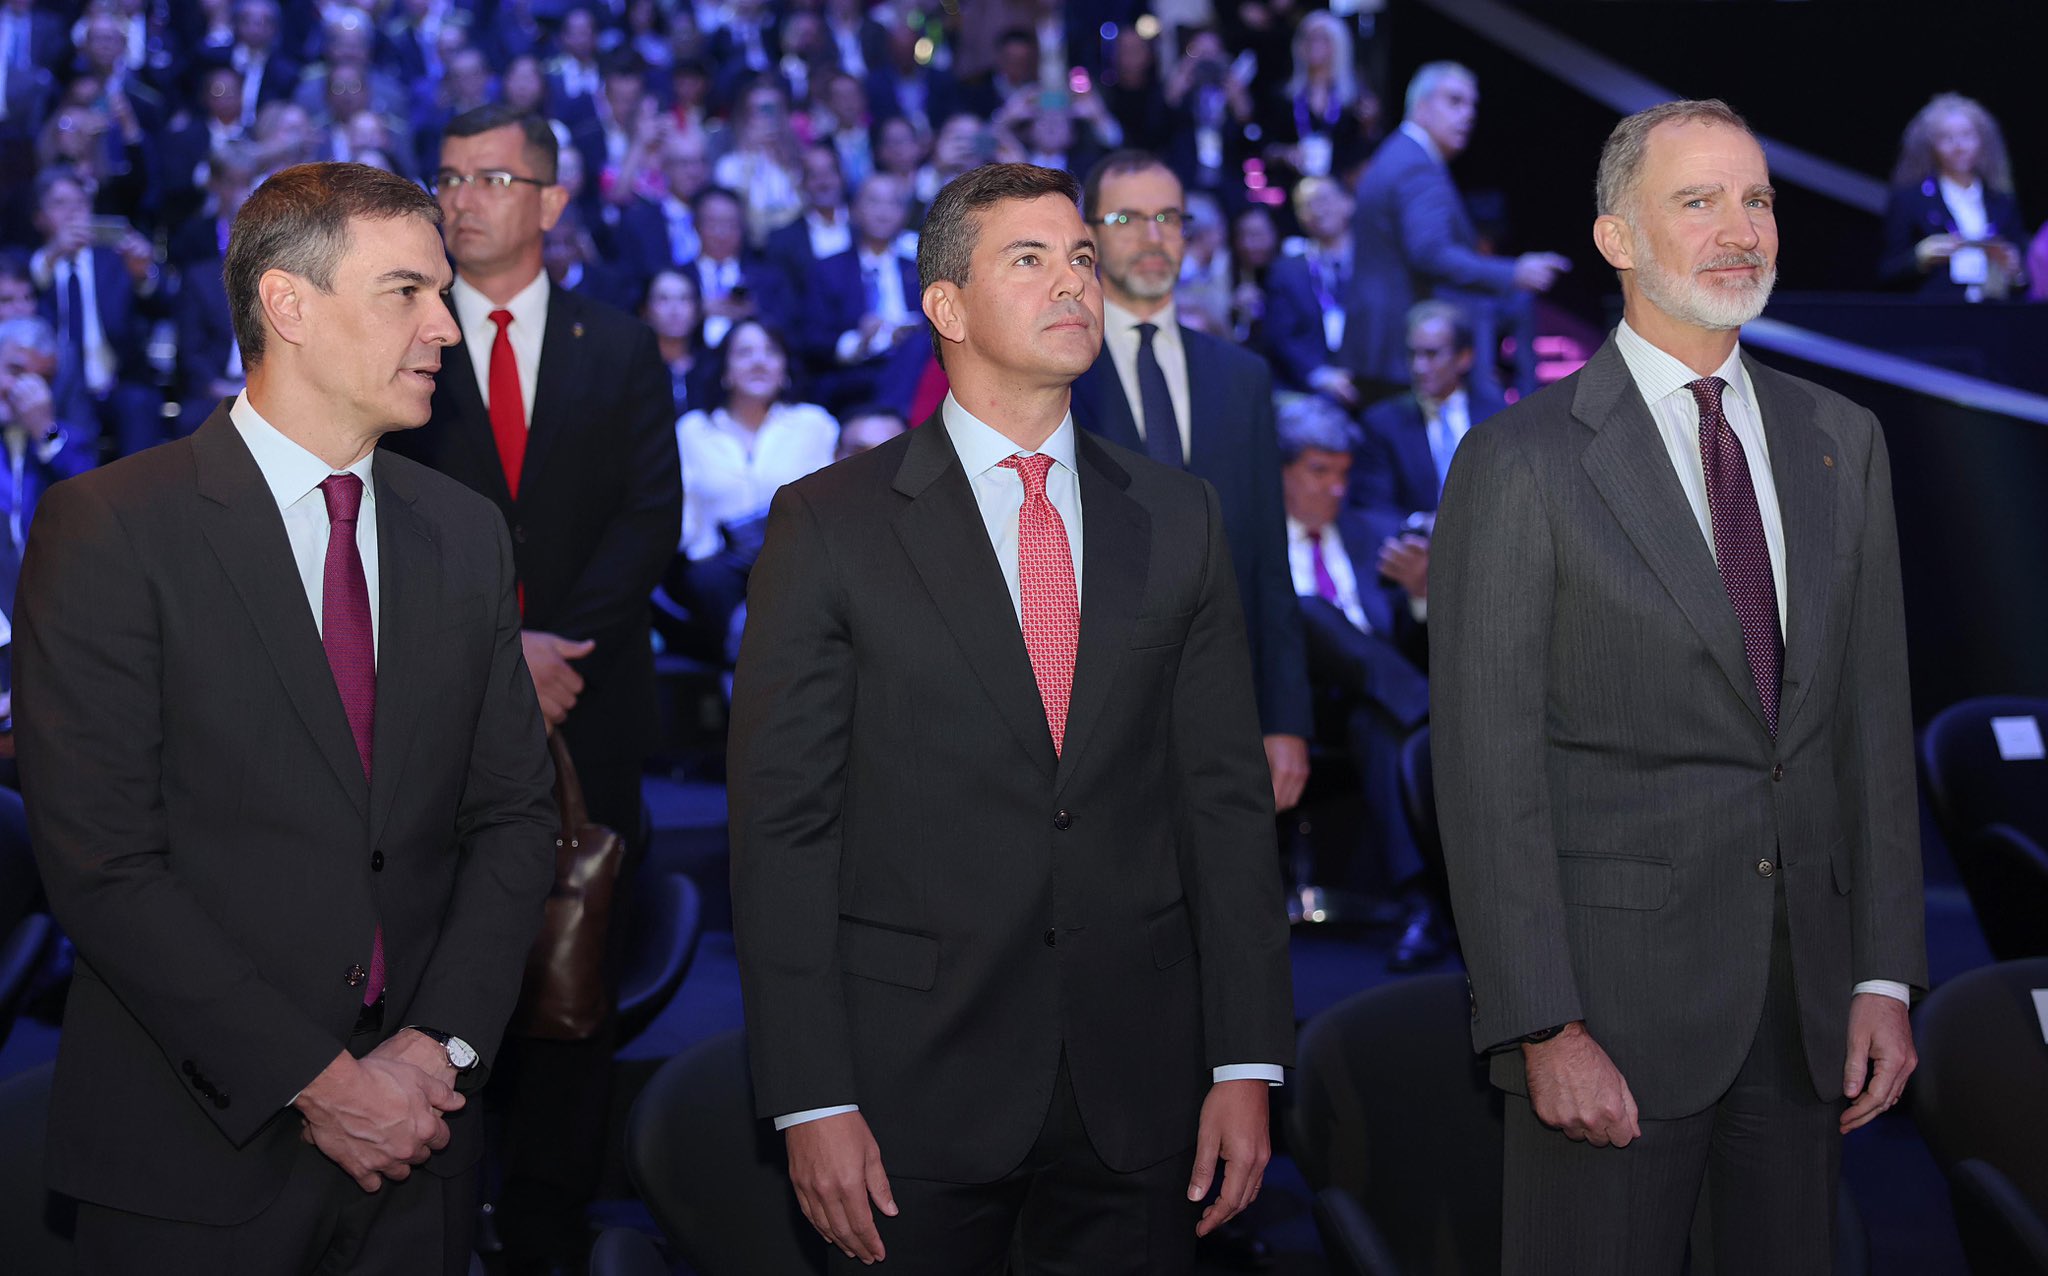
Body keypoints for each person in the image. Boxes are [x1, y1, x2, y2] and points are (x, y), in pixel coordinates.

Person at [729, 161, 1293, 1274]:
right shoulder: (830, 524)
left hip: (1140, 1097)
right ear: (945, 306)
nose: (1073, 283)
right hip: (907, 1095)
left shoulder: (1178, 516)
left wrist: (1245, 1064)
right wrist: (807, 1097)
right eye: (1029, 260)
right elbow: (781, 830)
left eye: (1081, 257)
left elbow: (1221, 806)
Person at [14, 159, 557, 1274]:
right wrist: (325, 1083)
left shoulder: (462, 534)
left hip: (424, 1146)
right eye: (406, 291)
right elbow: (104, 865)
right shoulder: (112, 528)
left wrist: (433, 1053)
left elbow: (512, 817)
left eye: (440, 293)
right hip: (194, 1154)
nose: (444, 328)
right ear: (288, 305)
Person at [1431, 100, 1925, 1275]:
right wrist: (1540, 1023)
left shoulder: (1837, 438)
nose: (1739, 228)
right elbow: (1484, 776)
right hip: (1607, 1015)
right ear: (1614, 237)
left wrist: (1880, 972)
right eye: (1696, 200)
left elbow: (1868, 722)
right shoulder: (1520, 463)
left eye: (1754, 199)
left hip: (1804, 1009)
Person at [386, 104, 681, 1275]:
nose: (461, 200)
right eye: (447, 178)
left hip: (590, 713)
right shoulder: (400, 334)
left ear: (551, 201)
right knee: (435, 967)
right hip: (433, 712)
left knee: (571, 982)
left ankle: (551, 1234)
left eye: (491, 179)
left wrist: (557, 647)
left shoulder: (619, 343)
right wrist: (500, 650)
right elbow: (385, 515)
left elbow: (647, 516)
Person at [1070, 149, 1314, 816]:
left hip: (1223, 705)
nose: (1153, 238)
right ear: (1087, 236)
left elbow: (1267, 558)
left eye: (1170, 218)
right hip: (1087, 717)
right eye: (1128, 218)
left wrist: (1285, 718)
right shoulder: (1057, 373)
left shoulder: (1243, 378)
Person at [1273, 394, 1433, 966]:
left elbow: (1412, 647)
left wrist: (1419, 598)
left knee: (1376, 724)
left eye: (1343, 474)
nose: (1334, 489)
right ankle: (1434, 714)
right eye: (1318, 472)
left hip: (1375, 706)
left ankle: (1420, 902)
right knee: (1311, 611)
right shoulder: (1251, 543)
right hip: (1292, 704)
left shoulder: (1374, 537)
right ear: (1281, 471)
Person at [1344, 61, 1570, 399]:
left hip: (1384, 338)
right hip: (1400, 341)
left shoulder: (1401, 154)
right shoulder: (1416, 165)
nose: (1468, 114)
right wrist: (1514, 272)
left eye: (1472, 105)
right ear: (1421, 107)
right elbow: (1430, 253)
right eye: (1454, 101)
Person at [670, 315, 835, 661]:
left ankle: (747, 676)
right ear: (725, 370)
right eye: (744, 353)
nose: (759, 361)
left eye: (771, 352)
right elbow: (681, 512)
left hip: (797, 562)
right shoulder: (693, 429)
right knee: (708, 580)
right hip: (719, 570)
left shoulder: (814, 424)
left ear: (784, 368)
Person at [800, 172, 928, 415]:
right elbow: (812, 339)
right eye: (874, 201)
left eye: (893, 203)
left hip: (910, 371)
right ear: (855, 209)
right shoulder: (828, 269)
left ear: (904, 214)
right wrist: (859, 341)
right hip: (853, 376)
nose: (883, 211)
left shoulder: (919, 270)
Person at [1878, 93, 2026, 301]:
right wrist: (1920, 258)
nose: (1959, 146)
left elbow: (2023, 281)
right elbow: (1886, 274)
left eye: (1967, 136)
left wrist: (2013, 268)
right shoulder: (1911, 200)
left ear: (1982, 141)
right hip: (1934, 313)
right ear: (1931, 145)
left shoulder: (2001, 201)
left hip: (1992, 311)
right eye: (1946, 138)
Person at [1262, 175, 1363, 406]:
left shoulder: (1374, 263)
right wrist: (1320, 375)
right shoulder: (1286, 271)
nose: (1317, 210)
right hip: (1312, 387)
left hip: (1370, 377)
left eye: (1323, 200)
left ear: (1348, 203)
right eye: (1306, 205)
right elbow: (1281, 336)